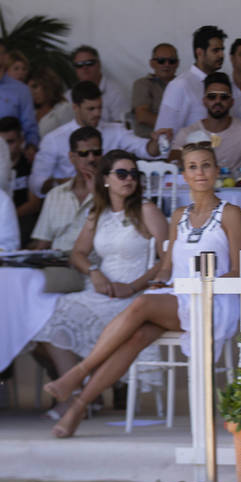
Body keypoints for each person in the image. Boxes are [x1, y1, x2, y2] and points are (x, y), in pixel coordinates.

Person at [43, 142, 241, 438]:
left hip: (213, 301)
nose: (200, 172)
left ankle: (77, 374)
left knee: (141, 304)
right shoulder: (180, 215)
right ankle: (77, 408)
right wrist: (160, 281)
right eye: (192, 167)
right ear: (184, 175)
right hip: (177, 297)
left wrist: (204, 285)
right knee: (136, 336)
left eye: (206, 165)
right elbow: (166, 266)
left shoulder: (230, 213)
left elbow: (239, 269)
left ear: (216, 171)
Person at [31, 150, 168, 415]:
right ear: (106, 179)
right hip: (103, 289)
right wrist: (94, 272)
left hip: (135, 295)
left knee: (73, 314)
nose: (129, 179)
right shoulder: (98, 213)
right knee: (50, 315)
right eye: (121, 174)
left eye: (133, 174)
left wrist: (134, 286)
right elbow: (78, 253)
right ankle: (78, 392)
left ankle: (80, 396)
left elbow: (168, 259)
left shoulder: (146, 210)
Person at [29, 81, 167, 198]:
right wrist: (72, 183)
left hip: (110, 199)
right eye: (91, 109)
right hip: (69, 199)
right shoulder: (54, 139)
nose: (97, 113)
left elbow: (146, 150)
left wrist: (156, 141)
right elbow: (36, 184)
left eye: (100, 108)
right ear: (75, 107)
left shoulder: (116, 131)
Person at [29, 126, 103, 293]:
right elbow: (43, 243)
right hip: (60, 265)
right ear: (72, 157)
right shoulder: (55, 195)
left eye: (96, 152)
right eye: (84, 153)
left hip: (96, 265)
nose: (91, 158)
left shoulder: (112, 193)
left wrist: (97, 192)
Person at [168, 72, 241, 170]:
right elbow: (172, 164)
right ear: (204, 101)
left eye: (224, 97)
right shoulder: (187, 133)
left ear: (232, 102)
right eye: (212, 96)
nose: (218, 101)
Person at [155, 25, 226, 134]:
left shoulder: (222, 83)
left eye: (222, 50)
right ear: (199, 53)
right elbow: (164, 133)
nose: (221, 55)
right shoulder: (180, 85)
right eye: (215, 50)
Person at [0, 116, 41, 248]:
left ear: (21, 140)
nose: (5, 147)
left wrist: (9, 215)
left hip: (23, 220)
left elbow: (35, 203)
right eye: (2, 142)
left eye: (10, 142)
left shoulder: (30, 164)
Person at [64, 45, 130, 126]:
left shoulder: (116, 92)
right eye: (79, 65)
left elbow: (123, 125)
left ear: (99, 64)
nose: (85, 68)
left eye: (89, 63)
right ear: (74, 69)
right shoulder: (68, 96)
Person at [131, 43, 179, 138]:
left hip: (179, 139)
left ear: (177, 64)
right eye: (161, 61)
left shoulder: (184, 84)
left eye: (172, 61)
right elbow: (142, 116)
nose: (167, 64)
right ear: (152, 63)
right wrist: (176, 127)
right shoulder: (143, 84)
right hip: (148, 140)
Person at [28, 65, 73, 138]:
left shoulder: (64, 108)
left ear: (47, 85)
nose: (32, 92)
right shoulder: (31, 112)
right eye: (28, 89)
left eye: (35, 87)